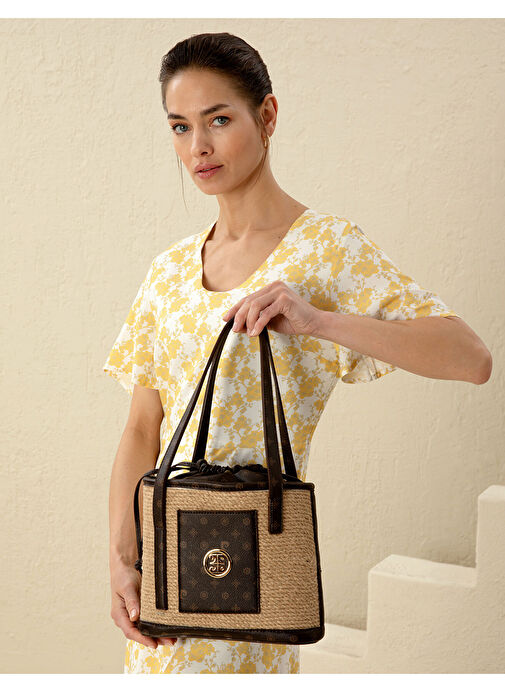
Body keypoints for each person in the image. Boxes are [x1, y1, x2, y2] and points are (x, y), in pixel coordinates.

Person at [103, 32, 492, 674]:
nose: (198, 147)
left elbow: (469, 358)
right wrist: (121, 558)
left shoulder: (327, 249)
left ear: (268, 116)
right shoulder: (168, 270)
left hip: (257, 566)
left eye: (218, 120)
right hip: (167, 577)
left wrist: (318, 321)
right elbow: (143, 427)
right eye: (180, 127)